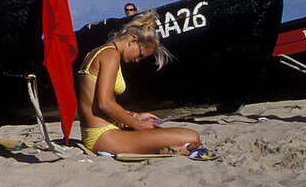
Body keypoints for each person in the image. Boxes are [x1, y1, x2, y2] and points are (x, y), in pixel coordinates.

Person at [77, 10, 215, 158]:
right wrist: (138, 125)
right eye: (141, 55)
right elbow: (105, 104)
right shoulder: (111, 55)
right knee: (192, 137)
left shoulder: (97, 52)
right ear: (133, 41)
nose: (137, 60)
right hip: (105, 136)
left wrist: (137, 115)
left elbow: (95, 104)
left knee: (181, 136)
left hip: (98, 133)